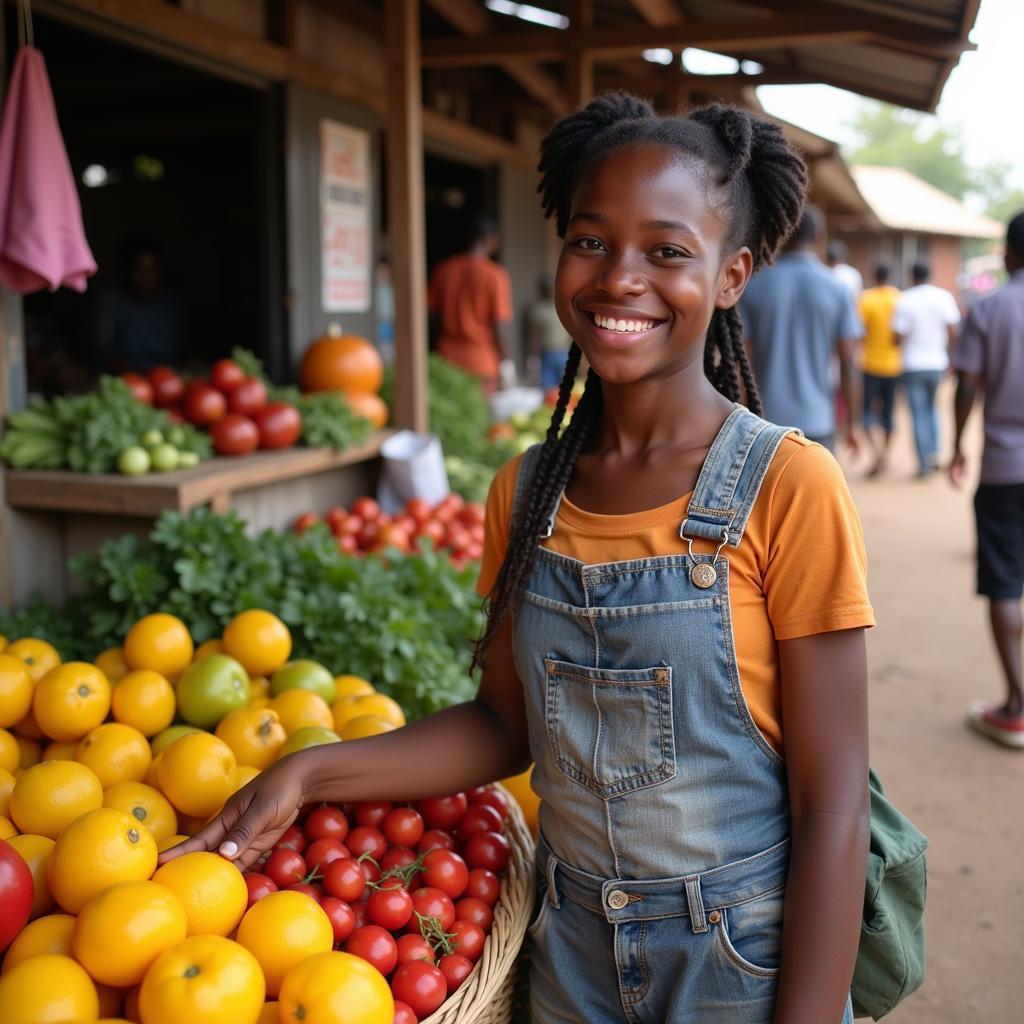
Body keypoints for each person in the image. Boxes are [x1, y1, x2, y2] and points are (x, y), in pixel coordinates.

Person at [162, 95, 873, 1023]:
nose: (620, 278)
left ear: (732, 275)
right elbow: (507, 725)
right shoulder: (526, 492)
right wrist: (309, 773)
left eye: (667, 251)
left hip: (740, 960)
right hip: (570, 956)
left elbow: (834, 807)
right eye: (590, 241)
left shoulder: (789, 486)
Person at [949, 211, 1024, 749]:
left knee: (1004, 582)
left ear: (1008, 254)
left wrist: (956, 446)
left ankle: (1017, 705)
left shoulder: (992, 308)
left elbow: (967, 387)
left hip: (1004, 467)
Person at [741, 205, 863, 451]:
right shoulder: (837, 289)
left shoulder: (753, 286)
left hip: (764, 424)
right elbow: (848, 364)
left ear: (781, 233)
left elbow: (740, 361)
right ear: (818, 235)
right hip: (818, 422)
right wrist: (852, 424)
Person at [428, 213, 513, 392]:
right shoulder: (495, 275)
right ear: (489, 239)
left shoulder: (443, 271)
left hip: (446, 361)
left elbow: (432, 318)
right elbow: (500, 326)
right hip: (481, 364)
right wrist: (506, 363)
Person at [891, 262, 961, 477]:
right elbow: (953, 331)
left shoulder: (905, 299)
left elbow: (897, 338)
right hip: (937, 363)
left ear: (912, 276)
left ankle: (924, 463)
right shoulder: (943, 297)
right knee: (932, 409)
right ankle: (934, 453)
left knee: (918, 413)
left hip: (913, 365)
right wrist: (952, 358)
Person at [93, 235, 185, 373]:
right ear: (126, 271)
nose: (147, 279)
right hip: (126, 377)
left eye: (152, 271)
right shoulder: (111, 301)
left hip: (167, 379)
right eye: (140, 272)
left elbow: (182, 349)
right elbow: (103, 350)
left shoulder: (170, 304)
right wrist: (140, 372)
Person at [859, 264, 902, 476]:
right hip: (894, 365)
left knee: (866, 411)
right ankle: (886, 453)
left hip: (870, 364)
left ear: (874, 276)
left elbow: (859, 330)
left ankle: (878, 454)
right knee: (888, 412)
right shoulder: (899, 298)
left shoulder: (866, 299)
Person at [525, 272, 572, 389]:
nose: (549, 290)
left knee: (566, 389)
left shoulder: (563, 306)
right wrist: (533, 361)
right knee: (548, 389)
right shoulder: (537, 309)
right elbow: (533, 336)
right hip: (547, 354)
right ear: (542, 289)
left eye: (551, 287)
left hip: (564, 352)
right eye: (547, 287)